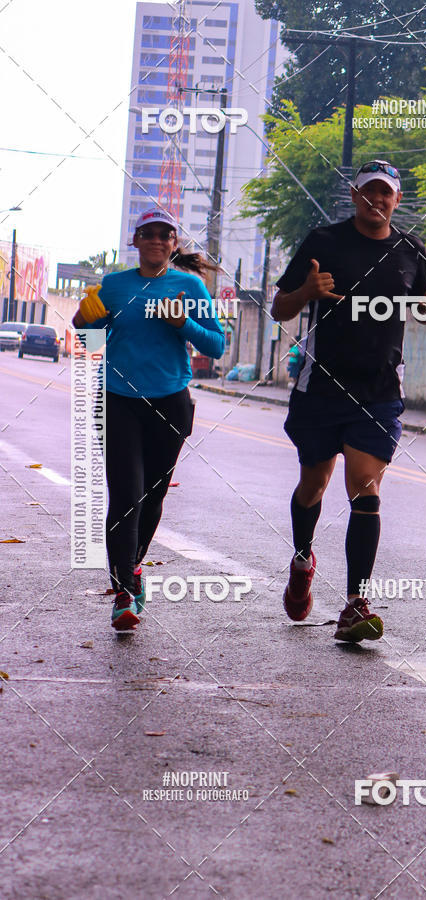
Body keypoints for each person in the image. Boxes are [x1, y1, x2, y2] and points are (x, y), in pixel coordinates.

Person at [272, 160, 426, 642]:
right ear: (354, 195)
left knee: (365, 489)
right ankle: (302, 560)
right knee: (314, 483)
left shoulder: (410, 250)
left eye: (386, 192)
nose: (378, 199)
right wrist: (306, 291)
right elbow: (280, 307)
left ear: (397, 199)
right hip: (322, 387)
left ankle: (355, 603)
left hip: (379, 391)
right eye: (370, 190)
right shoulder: (323, 242)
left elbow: (425, 307)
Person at [72, 207, 225, 631]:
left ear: (174, 244)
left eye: (164, 234)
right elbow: (88, 340)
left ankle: (133, 566)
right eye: (148, 233)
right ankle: (124, 591)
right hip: (118, 400)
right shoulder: (114, 285)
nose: (156, 240)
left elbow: (216, 345)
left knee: (152, 498)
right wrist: (82, 319)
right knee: (126, 495)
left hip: (170, 403)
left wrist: (183, 323)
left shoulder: (189, 286)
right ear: (135, 240)